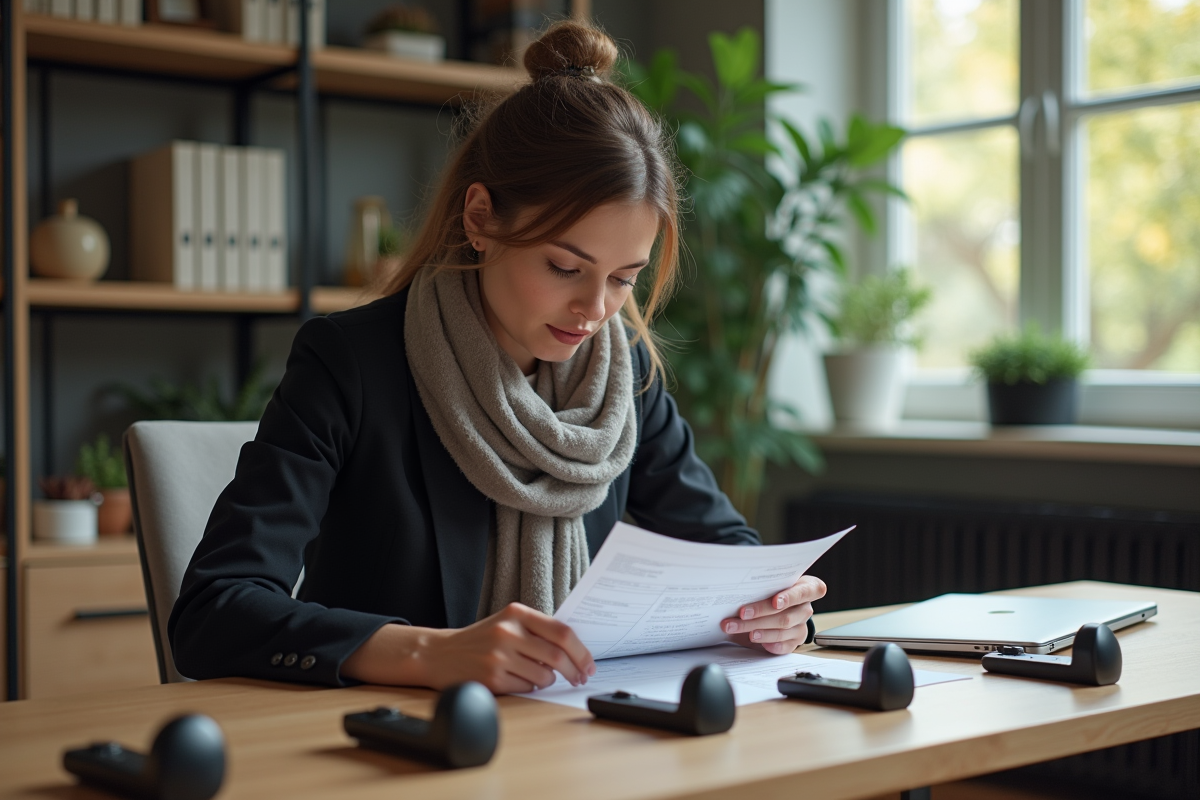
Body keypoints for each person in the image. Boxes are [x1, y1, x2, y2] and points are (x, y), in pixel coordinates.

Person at [168, 20, 826, 695]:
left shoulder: (621, 377)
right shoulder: (351, 363)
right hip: (397, 746)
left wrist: (773, 608)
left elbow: (730, 555)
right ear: (481, 217)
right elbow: (213, 611)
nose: (596, 309)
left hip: (572, 740)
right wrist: (430, 653)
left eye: (625, 277)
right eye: (565, 266)